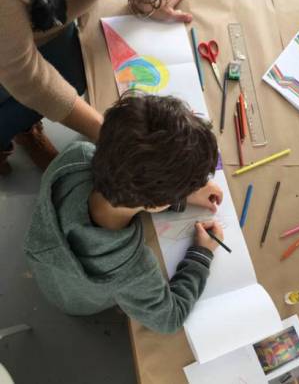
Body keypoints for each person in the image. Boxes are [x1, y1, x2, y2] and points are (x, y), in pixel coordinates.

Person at [24, 92, 224, 334]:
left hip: (49, 270)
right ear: (155, 205)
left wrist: (179, 195)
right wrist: (201, 254)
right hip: (76, 302)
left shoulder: (75, 157)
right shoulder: (131, 270)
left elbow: (130, 180)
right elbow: (170, 319)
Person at [0, 0, 193, 175]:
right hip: (9, 46)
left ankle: (23, 125)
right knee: (14, 103)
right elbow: (22, 73)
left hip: (48, 19)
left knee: (75, 70)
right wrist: (107, 133)